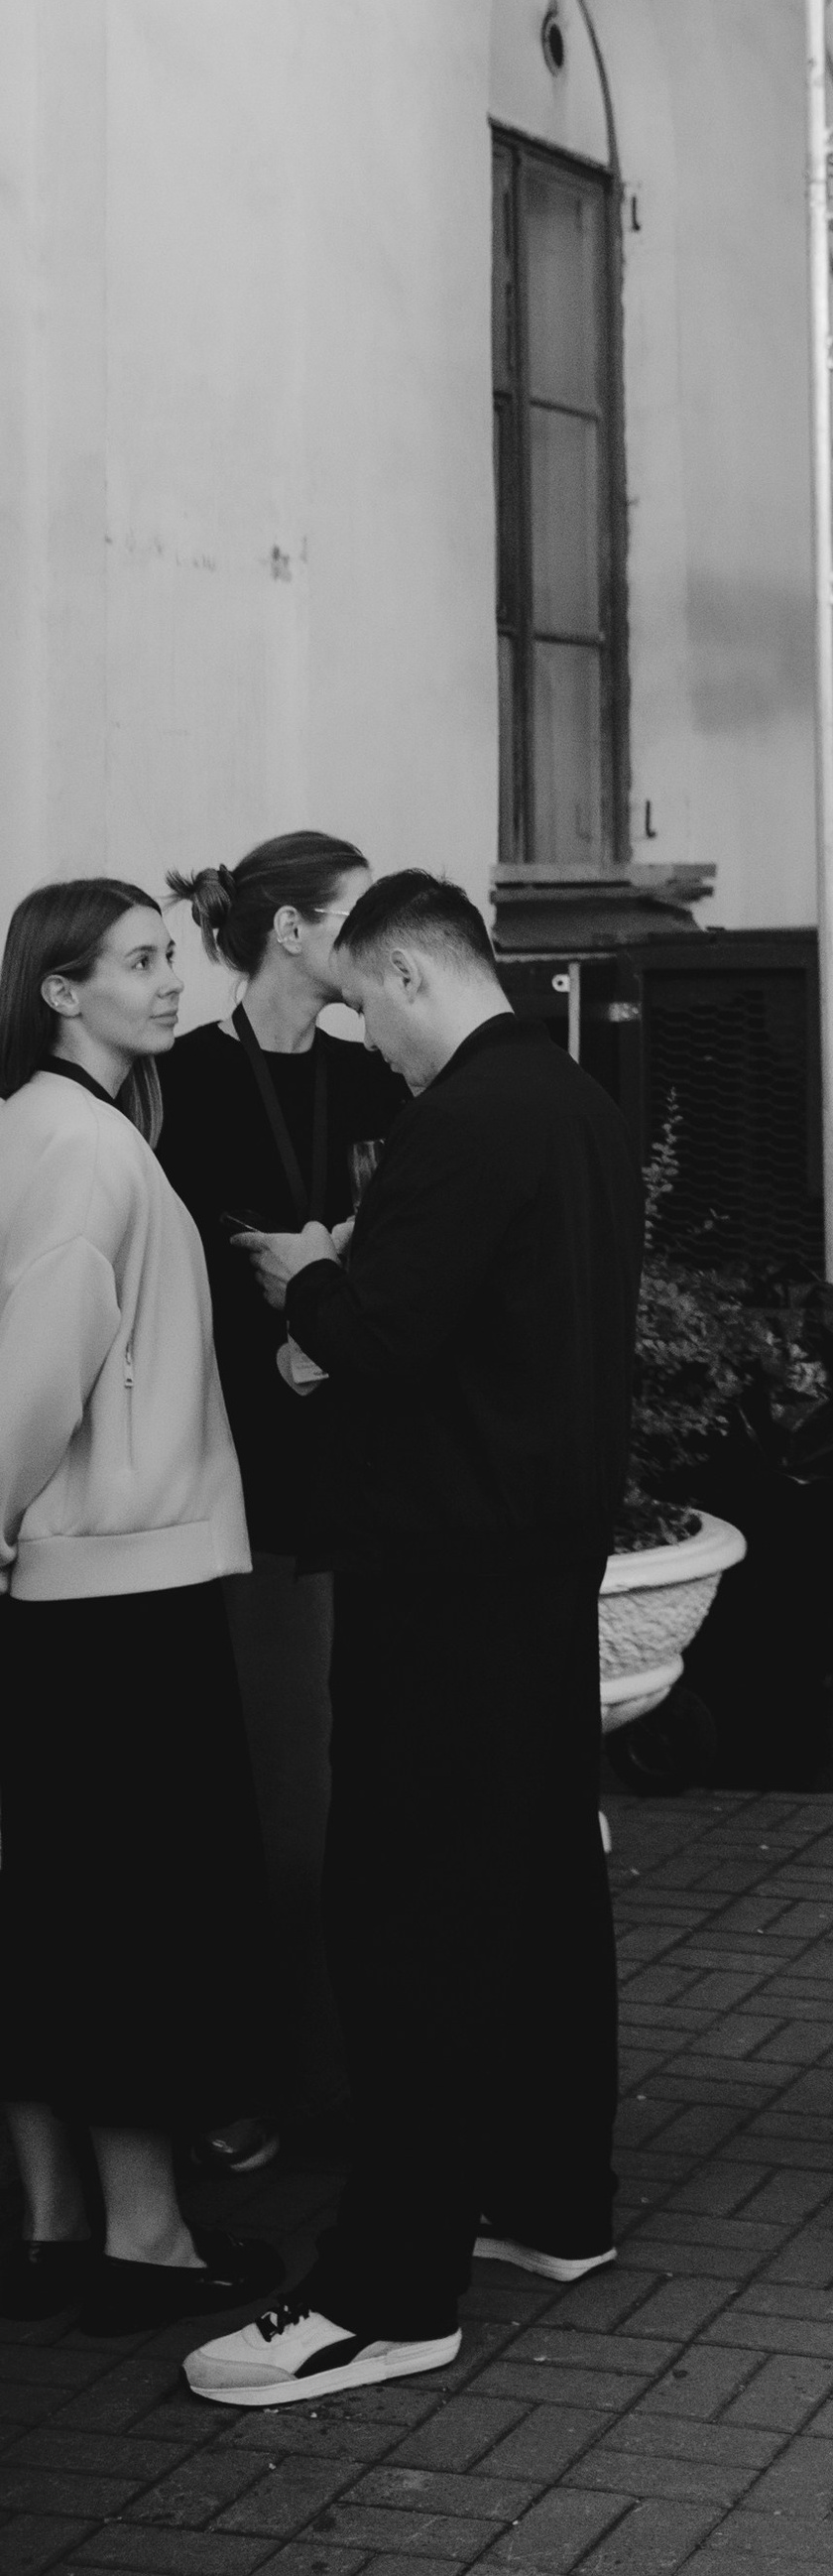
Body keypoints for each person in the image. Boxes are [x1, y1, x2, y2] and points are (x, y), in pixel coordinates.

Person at [184, 873, 641, 2410]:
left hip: (444, 1576)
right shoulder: (577, 1102)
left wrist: (304, 1268)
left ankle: (391, 2289)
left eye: (365, 1010)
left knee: (412, 1908)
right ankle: (551, 2200)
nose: (366, 1044)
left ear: (404, 977)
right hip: (535, 1561)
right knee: (540, 1884)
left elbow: (380, 1333)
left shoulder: (466, 1118)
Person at [0, 881, 280, 2334]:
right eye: (138, 962)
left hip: (80, 1586)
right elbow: (33, 1377)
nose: (172, 981)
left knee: (56, 1912)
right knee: (135, 1922)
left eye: (175, 956)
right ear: (58, 988)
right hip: (115, 1588)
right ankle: (146, 2244)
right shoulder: (84, 1148)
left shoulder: (59, 1132)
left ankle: (59, 2231)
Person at [158, 834, 406, 2142]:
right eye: (358, 914)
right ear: (296, 935)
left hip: (356, 1470)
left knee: (340, 1790)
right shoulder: (182, 1080)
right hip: (235, 1469)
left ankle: (330, 2075)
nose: (379, 941)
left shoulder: (379, 1078)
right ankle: (261, 2081)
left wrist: (332, 1255)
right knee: (268, 1795)